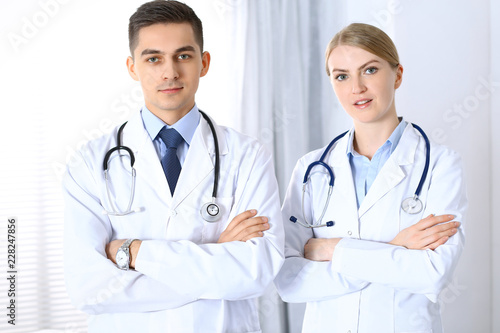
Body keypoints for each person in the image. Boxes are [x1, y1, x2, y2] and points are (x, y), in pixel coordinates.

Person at [62, 1, 284, 332]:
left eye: (183, 55)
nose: (170, 72)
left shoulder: (248, 156)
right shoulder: (90, 163)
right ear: (132, 67)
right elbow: (90, 289)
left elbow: (256, 272)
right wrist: (216, 255)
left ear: (203, 62)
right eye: (154, 59)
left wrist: (134, 253)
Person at [275, 23, 466, 333]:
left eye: (370, 70)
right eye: (341, 76)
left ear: (398, 74)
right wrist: (394, 247)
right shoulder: (311, 170)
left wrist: (330, 250)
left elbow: (431, 274)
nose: (356, 88)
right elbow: (289, 282)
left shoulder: (441, 166)